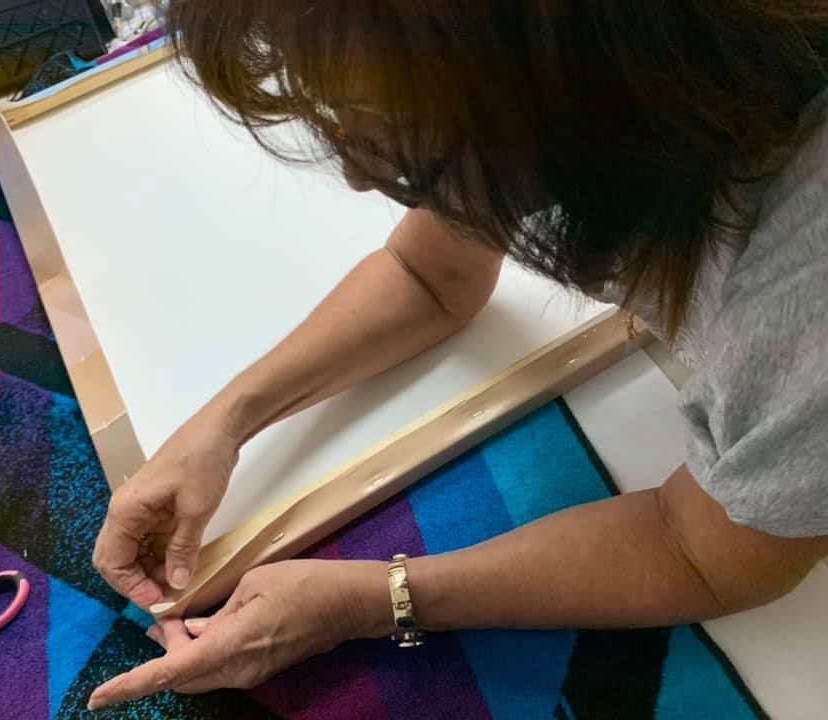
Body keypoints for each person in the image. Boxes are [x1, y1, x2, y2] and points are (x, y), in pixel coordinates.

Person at [86, 1, 828, 710]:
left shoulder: (803, 285)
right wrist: (222, 424)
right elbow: (429, 275)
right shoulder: (586, 86)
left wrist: (374, 601)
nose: (357, 177)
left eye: (400, 145)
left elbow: (700, 551)